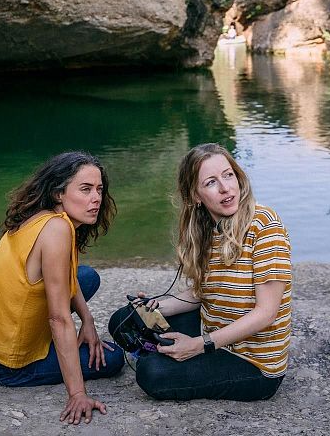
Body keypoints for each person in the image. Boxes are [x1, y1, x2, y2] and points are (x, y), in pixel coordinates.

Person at [110, 143, 291, 401]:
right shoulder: (206, 229)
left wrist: (199, 345)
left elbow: (266, 313)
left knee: (152, 374)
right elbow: (203, 292)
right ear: (196, 195)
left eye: (229, 175)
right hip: (211, 327)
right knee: (126, 319)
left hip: (252, 362)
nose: (226, 188)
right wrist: (158, 305)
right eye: (211, 182)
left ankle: (161, 353)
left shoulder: (265, 226)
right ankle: (164, 349)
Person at [0, 151, 124, 424]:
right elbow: (58, 318)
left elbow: (68, 275)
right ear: (58, 193)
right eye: (85, 189)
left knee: (86, 277)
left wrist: (87, 320)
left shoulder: (45, 216)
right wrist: (77, 394)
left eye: (99, 189)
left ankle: (48, 343)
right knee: (114, 358)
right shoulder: (57, 230)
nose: (96, 198)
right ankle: (32, 360)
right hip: (0, 363)